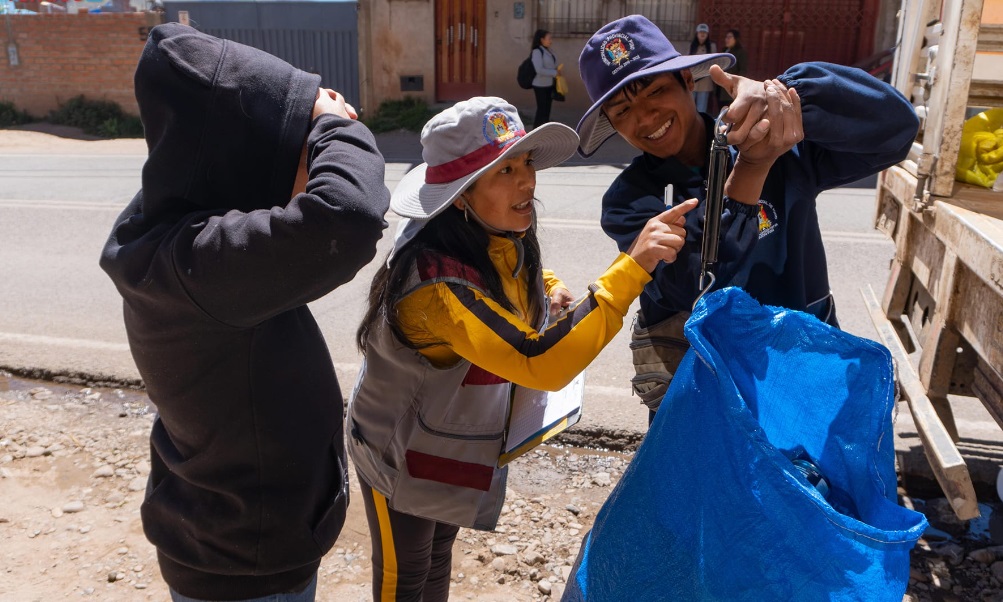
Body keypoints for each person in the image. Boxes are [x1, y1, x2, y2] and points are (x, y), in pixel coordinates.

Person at [347, 96, 697, 601]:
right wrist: (632, 269)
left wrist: (547, 284)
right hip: (394, 450)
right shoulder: (435, 287)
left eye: (527, 162)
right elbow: (539, 360)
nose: (527, 181)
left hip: (441, 444)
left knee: (438, 552)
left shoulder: (492, 232)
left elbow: (512, 273)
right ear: (461, 195)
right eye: (505, 170)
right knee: (404, 575)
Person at [99, 23, 391, 602]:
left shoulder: (174, 234)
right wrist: (332, 124)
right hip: (246, 567)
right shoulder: (197, 264)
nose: (306, 170)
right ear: (245, 159)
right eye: (298, 151)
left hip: (237, 538)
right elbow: (347, 217)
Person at [575, 14, 919, 419]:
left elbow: (895, 129)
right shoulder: (630, 200)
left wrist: (785, 95)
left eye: (655, 91)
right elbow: (693, 285)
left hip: (801, 374)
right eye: (623, 111)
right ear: (612, 124)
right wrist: (751, 170)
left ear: (688, 81)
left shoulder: (777, 137)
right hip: (701, 395)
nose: (646, 117)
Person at [530, 29, 562, 128]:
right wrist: (554, 72)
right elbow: (539, 69)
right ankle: (536, 131)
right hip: (540, 85)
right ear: (542, 39)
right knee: (542, 110)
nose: (550, 41)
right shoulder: (537, 52)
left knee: (547, 110)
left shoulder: (549, 51)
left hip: (549, 84)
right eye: (549, 38)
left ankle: (544, 132)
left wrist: (557, 70)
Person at [688, 23, 718, 113]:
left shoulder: (712, 47)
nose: (702, 34)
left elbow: (714, 62)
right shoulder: (691, 46)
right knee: (690, 106)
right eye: (700, 32)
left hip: (705, 81)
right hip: (693, 80)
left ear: (707, 35)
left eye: (704, 33)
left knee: (701, 108)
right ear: (697, 33)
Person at [718, 28, 749, 106]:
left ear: (736, 39)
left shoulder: (741, 52)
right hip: (721, 87)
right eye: (726, 37)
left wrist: (735, 85)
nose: (727, 39)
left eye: (729, 37)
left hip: (731, 87)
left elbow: (742, 70)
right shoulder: (724, 51)